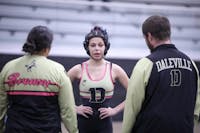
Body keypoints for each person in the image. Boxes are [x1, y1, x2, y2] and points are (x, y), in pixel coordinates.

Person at [122, 15, 200, 133]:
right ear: (169, 33)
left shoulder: (145, 64)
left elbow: (132, 107)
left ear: (149, 36)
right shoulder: (191, 64)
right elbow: (197, 105)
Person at [0, 26, 78, 133]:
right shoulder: (58, 70)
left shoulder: (8, 68)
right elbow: (67, 110)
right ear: (48, 48)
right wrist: (74, 131)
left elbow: (1, 106)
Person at [67, 26, 129, 133]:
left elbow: (135, 94)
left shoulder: (115, 69)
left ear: (106, 47)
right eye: (93, 45)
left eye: (100, 45)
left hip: (105, 125)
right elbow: (57, 92)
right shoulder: (78, 69)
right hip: (83, 124)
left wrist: (115, 110)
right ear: (87, 47)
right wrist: (74, 108)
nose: (97, 48)